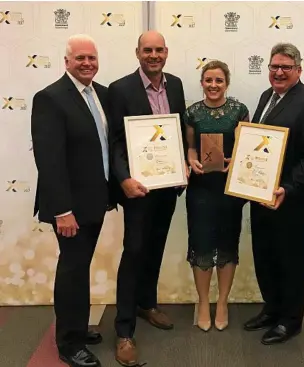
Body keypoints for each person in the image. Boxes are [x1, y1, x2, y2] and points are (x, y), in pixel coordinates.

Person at [31, 34, 116, 367]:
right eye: (80, 58)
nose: (87, 63)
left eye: (92, 58)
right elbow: (49, 160)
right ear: (66, 61)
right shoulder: (50, 98)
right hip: (70, 208)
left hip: (96, 201)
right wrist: (62, 211)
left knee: (80, 269)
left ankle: (78, 327)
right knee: (72, 270)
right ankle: (68, 342)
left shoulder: (102, 95)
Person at [108, 30, 187, 366]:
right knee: (135, 251)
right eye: (147, 50)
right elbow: (112, 141)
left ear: (166, 52)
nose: (153, 55)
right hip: (138, 188)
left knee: (155, 246)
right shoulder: (120, 89)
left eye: (159, 50)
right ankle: (124, 330)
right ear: (137, 53)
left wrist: (183, 161)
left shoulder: (177, 85)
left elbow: (179, 130)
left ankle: (147, 303)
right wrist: (123, 178)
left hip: (168, 185)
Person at [243, 43, 304, 345]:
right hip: (261, 195)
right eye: (274, 66)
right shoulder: (268, 97)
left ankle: (290, 320)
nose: (278, 72)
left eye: (286, 67)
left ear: (298, 70)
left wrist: (287, 187)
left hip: (291, 200)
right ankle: (272, 309)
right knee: (264, 255)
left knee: (289, 259)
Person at [185, 60, 249, 332]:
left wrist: (234, 159)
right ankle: (202, 302)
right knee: (200, 245)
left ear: (227, 83)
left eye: (219, 81)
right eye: (208, 80)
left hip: (229, 189)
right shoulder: (191, 113)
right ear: (202, 82)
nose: (213, 85)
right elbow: (189, 148)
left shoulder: (239, 110)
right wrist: (192, 161)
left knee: (226, 244)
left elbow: (246, 150)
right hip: (200, 189)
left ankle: (222, 302)